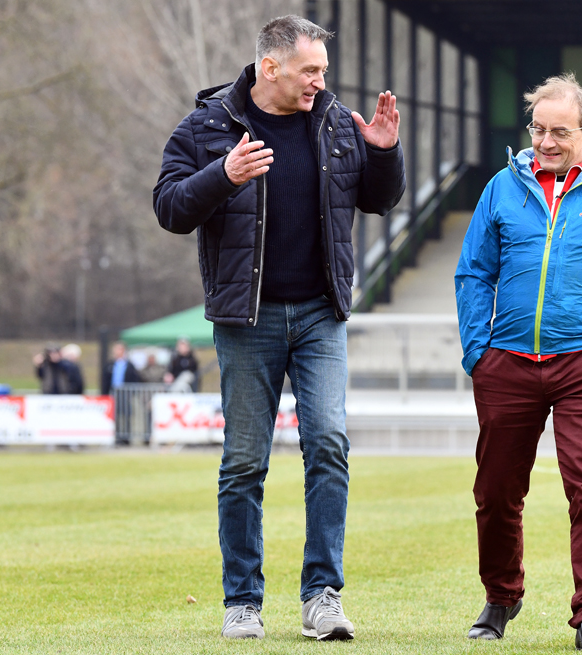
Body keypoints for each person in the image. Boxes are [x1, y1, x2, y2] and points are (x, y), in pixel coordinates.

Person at [153, 14, 405, 642]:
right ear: (271, 67)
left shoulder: (336, 122)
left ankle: (322, 595)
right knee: (243, 463)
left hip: (322, 314)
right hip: (248, 319)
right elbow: (169, 209)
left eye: (323, 69)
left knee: (329, 444)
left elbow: (379, 200)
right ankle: (242, 601)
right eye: (310, 70)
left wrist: (384, 151)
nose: (321, 81)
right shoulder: (207, 128)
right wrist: (224, 175)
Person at [454, 73, 582, 652]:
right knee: (496, 491)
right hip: (508, 363)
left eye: (560, 131)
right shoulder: (502, 187)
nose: (545, 141)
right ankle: (501, 597)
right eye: (538, 129)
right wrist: (479, 350)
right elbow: (474, 271)